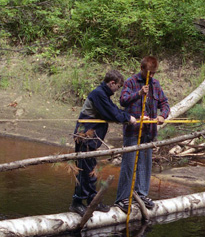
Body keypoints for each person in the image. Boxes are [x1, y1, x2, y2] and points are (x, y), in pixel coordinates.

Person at [70, 70, 136, 217]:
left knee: (91, 170)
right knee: (83, 171)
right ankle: (77, 203)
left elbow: (114, 110)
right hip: (84, 137)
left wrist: (128, 116)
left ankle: (93, 201)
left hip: (92, 139)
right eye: (117, 86)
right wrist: (128, 119)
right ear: (111, 83)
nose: (117, 90)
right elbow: (111, 114)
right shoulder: (98, 94)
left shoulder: (103, 94)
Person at [115, 56, 170, 212]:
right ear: (142, 69)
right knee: (129, 164)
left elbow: (165, 103)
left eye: (153, 73)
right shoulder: (131, 82)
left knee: (145, 165)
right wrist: (139, 93)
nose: (151, 76)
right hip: (133, 132)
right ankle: (122, 198)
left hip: (148, 131)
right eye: (149, 73)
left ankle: (141, 194)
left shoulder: (156, 84)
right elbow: (123, 101)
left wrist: (162, 116)